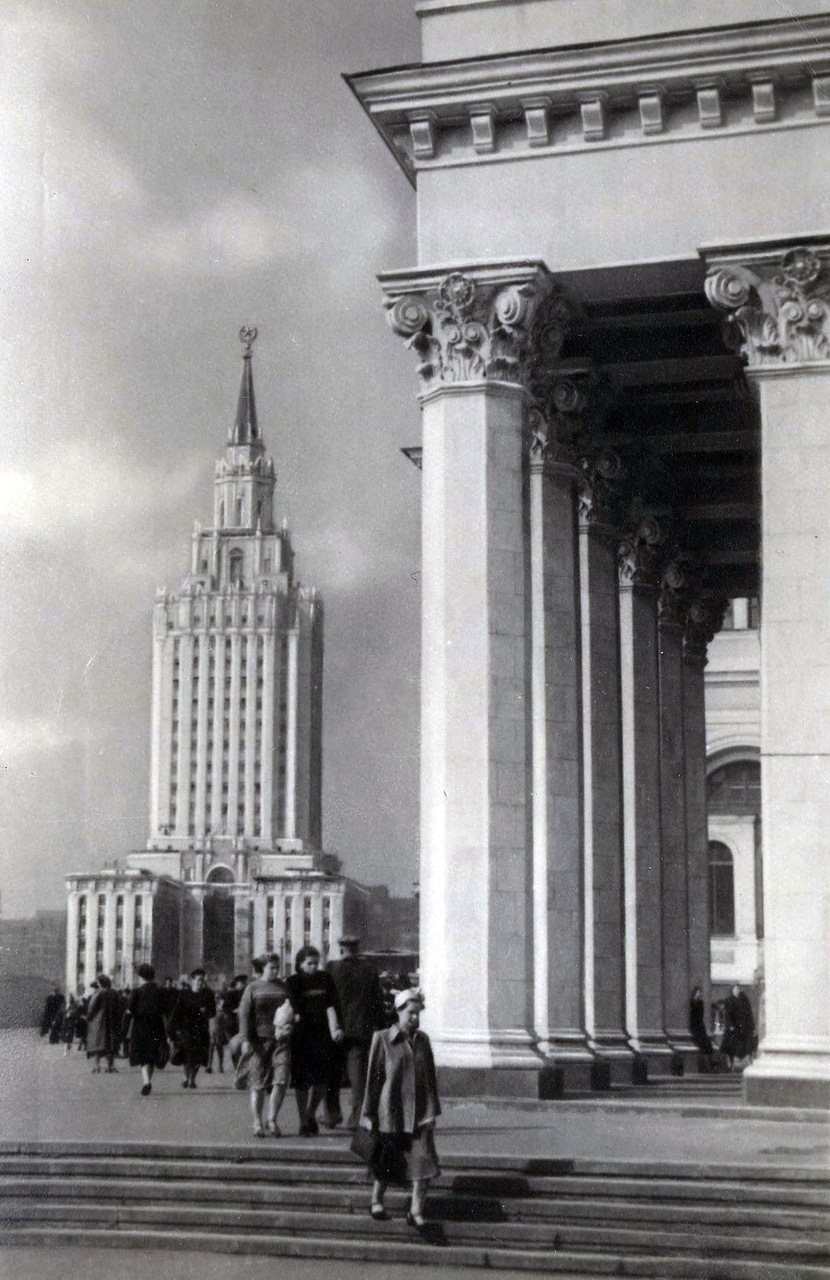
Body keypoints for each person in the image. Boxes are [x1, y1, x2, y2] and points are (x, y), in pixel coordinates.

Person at [359, 988, 440, 1231]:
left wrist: (433, 1111)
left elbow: (430, 1079)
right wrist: (367, 1113)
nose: (415, 1018)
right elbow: (374, 1079)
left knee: (423, 1160)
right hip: (390, 1111)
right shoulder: (383, 1038)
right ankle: (376, 1200)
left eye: (418, 1014)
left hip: (420, 1112)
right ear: (399, 1011)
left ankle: (415, 1211)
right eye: (411, 1013)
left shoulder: (423, 1040)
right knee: (387, 1159)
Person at [325, 934, 385, 1129]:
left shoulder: (331, 968)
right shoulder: (369, 969)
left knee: (332, 1074)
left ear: (341, 949)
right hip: (361, 1029)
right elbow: (378, 1002)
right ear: (357, 949)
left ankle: (332, 1115)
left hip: (335, 1029)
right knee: (358, 1076)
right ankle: (357, 1117)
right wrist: (381, 1027)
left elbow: (326, 1000)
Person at [287, 945, 344, 1136]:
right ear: (300, 963)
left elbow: (333, 1004)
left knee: (321, 1080)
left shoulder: (325, 978)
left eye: (316, 963)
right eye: (309, 963)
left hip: (323, 1035)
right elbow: (295, 1006)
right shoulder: (294, 981)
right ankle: (303, 1120)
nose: (313, 966)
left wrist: (337, 1028)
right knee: (302, 1081)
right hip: (302, 1035)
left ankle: (311, 1113)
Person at [237, 953, 292, 1137]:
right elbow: (244, 1015)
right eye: (272, 967)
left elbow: (292, 1010)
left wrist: (292, 1022)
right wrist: (245, 1040)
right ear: (263, 968)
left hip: (281, 1041)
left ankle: (272, 1119)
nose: (276, 971)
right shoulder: (253, 988)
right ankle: (257, 1122)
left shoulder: (284, 988)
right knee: (258, 1084)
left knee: (282, 1079)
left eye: (277, 967)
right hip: (258, 1042)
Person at [125, 962, 168, 1096]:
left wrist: (124, 1028)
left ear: (140, 977)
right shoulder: (161, 991)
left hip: (140, 1026)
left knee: (143, 1056)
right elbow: (165, 1009)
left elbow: (129, 1010)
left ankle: (146, 1082)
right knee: (152, 1056)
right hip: (157, 1026)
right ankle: (147, 1080)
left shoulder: (136, 992)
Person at [168, 968, 216, 1089]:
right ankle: (186, 1076)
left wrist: (206, 1012)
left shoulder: (208, 994)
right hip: (186, 1028)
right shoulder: (184, 994)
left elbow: (212, 1012)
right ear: (192, 980)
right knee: (187, 1055)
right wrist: (171, 1030)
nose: (201, 983)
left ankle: (192, 1079)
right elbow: (176, 1012)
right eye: (199, 980)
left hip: (201, 1028)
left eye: (203, 980)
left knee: (197, 1055)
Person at [86, 974, 123, 1073]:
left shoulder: (98, 993)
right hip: (112, 1021)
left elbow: (92, 1007)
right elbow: (120, 1007)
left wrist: (89, 1018)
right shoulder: (114, 993)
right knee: (110, 1044)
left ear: (100, 983)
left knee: (98, 1044)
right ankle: (109, 1066)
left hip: (100, 1022)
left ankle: (97, 1066)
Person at [721, 983, 757, 1070]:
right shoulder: (729, 1000)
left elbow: (748, 1012)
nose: (737, 990)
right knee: (731, 1045)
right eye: (735, 989)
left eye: (738, 989)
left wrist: (751, 1025)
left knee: (747, 1043)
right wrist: (730, 1025)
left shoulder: (743, 999)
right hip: (734, 1027)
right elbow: (727, 1015)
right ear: (732, 990)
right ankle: (731, 1063)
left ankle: (749, 1060)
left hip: (743, 1026)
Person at [689, 984, 715, 1071]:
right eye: (697, 992)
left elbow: (701, 1014)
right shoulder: (691, 1002)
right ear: (694, 993)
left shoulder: (700, 1002)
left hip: (700, 1025)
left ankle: (709, 1065)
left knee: (706, 1044)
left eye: (699, 992)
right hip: (694, 1025)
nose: (698, 994)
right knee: (701, 1045)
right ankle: (705, 1066)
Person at [206, 994, 231, 1074]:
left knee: (219, 1049)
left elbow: (226, 1021)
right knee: (211, 1049)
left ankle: (220, 1066)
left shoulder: (222, 1010)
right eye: (216, 998)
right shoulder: (212, 1009)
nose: (217, 1000)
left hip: (219, 1032)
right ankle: (209, 1065)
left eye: (218, 998)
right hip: (212, 1031)